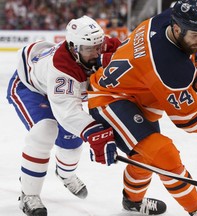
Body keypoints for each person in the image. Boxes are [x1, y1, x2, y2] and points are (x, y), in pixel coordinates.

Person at [87, 0, 197, 215]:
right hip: (110, 97)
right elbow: (188, 119)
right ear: (177, 28)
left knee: (145, 156)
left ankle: (132, 202)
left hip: (141, 91)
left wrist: (194, 67)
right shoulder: (168, 67)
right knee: (163, 153)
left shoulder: (167, 18)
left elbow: (183, 46)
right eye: (195, 35)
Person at [6, 15, 121, 216]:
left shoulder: (105, 47)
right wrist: (95, 132)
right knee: (46, 129)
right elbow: (68, 113)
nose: (96, 53)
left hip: (58, 94)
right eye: (88, 49)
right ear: (74, 48)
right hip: (30, 88)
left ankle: (65, 175)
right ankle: (29, 194)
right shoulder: (62, 67)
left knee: (72, 143)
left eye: (98, 46)